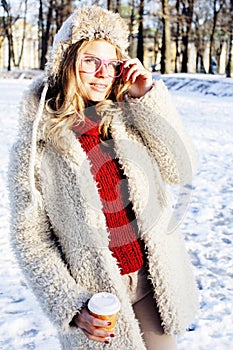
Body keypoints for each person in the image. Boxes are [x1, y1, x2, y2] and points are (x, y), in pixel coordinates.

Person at [8, 5, 199, 350]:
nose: (101, 73)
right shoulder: (37, 144)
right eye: (90, 61)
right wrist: (71, 303)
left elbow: (180, 168)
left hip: (150, 283)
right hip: (97, 300)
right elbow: (30, 239)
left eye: (111, 64)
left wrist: (146, 98)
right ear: (66, 63)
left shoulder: (128, 118)